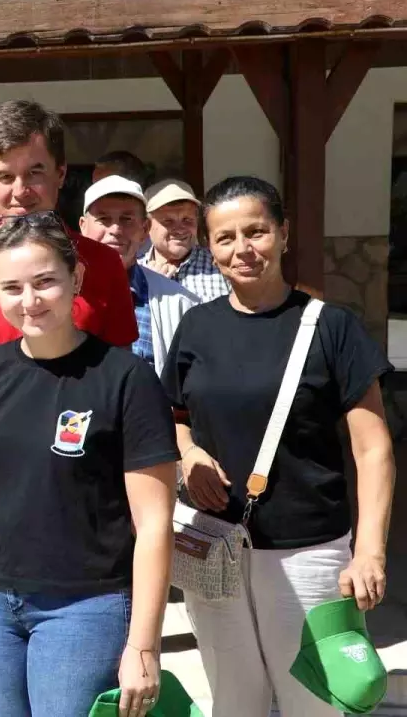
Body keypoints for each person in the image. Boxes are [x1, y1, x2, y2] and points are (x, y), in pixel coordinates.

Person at [0, 212, 177, 716]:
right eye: (12, 287)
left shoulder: (126, 380)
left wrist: (144, 645)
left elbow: (154, 525)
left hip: (83, 606)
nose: (30, 300)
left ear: (76, 279)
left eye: (45, 282)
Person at [0, 99, 139, 716]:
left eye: (34, 171)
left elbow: (119, 391)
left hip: (75, 506)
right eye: (4, 175)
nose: (20, 190)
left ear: (62, 175)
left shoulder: (102, 268)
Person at [163, 175, 396, 717]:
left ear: (283, 234)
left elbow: (373, 449)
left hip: (308, 551)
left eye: (256, 231)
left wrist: (370, 550)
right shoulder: (197, 329)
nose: (242, 249)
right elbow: (170, 419)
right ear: (209, 247)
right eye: (224, 238)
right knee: (234, 700)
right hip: (214, 546)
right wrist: (190, 454)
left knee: (314, 702)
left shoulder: (332, 328)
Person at [79, 175, 199, 375]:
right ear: (83, 226)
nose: (115, 230)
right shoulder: (57, 296)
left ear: (145, 230)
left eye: (127, 219)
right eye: (103, 219)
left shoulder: (181, 303)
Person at [140, 178, 230, 302]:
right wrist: (148, 286)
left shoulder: (220, 264)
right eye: (168, 221)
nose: (180, 229)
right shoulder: (135, 271)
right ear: (147, 226)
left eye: (187, 220)